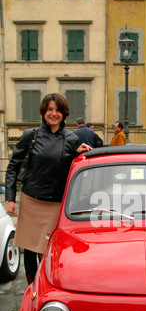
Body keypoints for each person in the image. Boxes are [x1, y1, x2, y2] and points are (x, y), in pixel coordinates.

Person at [5, 93, 91, 284]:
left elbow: (68, 170)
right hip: (31, 199)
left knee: (47, 248)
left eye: (58, 110)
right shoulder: (31, 136)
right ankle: (32, 288)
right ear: (44, 112)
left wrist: (78, 154)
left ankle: (46, 285)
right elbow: (13, 166)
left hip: (55, 203)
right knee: (29, 249)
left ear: (64, 113)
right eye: (50, 109)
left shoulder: (72, 139)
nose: (54, 113)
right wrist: (10, 198)